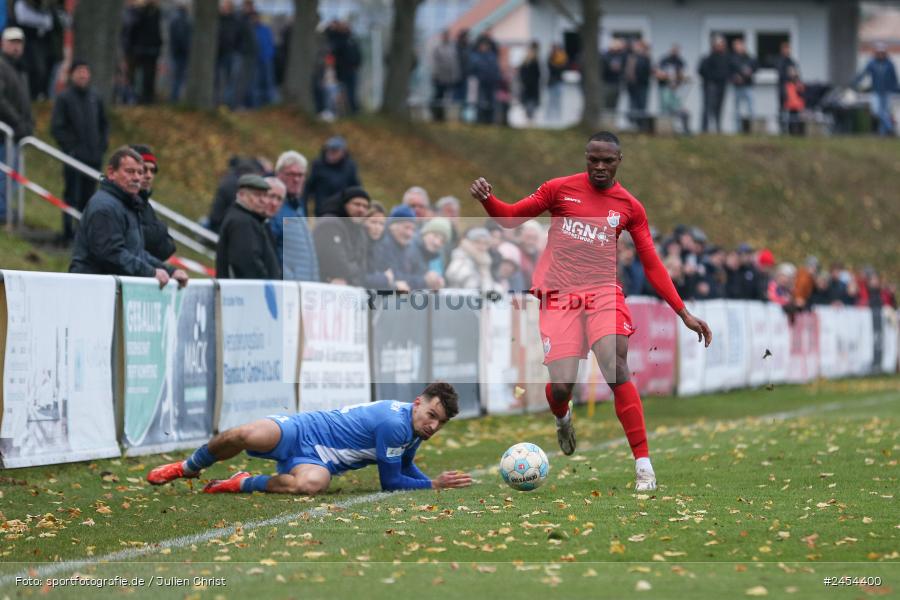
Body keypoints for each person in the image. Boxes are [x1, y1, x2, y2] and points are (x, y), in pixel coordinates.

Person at [469, 131, 711, 492]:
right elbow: (509, 218)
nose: (599, 167)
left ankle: (644, 465)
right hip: (560, 295)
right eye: (593, 160)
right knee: (562, 385)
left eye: (607, 161)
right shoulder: (558, 189)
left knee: (615, 364)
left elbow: (652, 264)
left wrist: (682, 312)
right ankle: (562, 415)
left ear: (619, 161)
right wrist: (489, 199)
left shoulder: (629, 206)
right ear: (586, 158)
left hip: (602, 292)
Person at [146, 382, 473, 495]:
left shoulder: (412, 426)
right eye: (432, 415)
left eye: (440, 423)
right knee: (243, 434)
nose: (433, 426)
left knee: (312, 485)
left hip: (318, 461)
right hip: (303, 430)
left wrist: (431, 481)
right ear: (418, 402)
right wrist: (432, 485)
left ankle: (243, 482)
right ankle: (189, 466)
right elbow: (391, 482)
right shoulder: (395, 424)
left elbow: (404, 465)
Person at [69, 146, 187, 288]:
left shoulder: (128, 205)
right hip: (92, 291)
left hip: (111, 291)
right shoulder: (105, 207)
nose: (137, 177)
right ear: (111, 172)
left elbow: (137, 253)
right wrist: (150, 272)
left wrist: (170, 271)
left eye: (140, 172)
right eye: (130, 172)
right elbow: (110, 254)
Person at [50, 60, 109, 243]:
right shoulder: (64, 98)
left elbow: (103, 124)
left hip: (93, 159)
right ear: (72, 74)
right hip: (74, 159)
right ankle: (68, 231)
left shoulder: (95, 98)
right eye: (79, 72)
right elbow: (57, 128)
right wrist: (72, 149)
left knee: (89, 199)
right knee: (71, 196)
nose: (83, 75)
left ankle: (84, 235)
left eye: (86, 72)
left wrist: (100, 147)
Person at [215, 174, 281, 279]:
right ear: (241, 195)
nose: (264, 201)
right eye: (257, 195)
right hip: (249, 292)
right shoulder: (242, 223)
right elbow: (248, 264)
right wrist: (268, 286)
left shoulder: (252, 220)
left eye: (265, 195)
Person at [0, 27, 34, 224]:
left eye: (19, 43)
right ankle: (2, 212)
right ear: (3, 43)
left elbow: (24, 102)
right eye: (12, 42)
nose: (16, 46)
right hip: (5, 133)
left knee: (12, 176)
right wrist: (17, 122)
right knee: (4, 175)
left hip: (16, 134)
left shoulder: (19, 69)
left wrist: (29, 122)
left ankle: (4, 209)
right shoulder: (2, 66)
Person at [270, 150, 319, 282]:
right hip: (288, 289)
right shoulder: (272, 207)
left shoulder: (298, 207)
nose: (296, 179)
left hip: (306, 289)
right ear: (278, 175)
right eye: (291, 174)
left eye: (301, 175)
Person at [313, 186, 371, 286]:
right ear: (345, 204)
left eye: (365, 206)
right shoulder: (329, 224)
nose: (361, 209)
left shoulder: (360, 231)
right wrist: (354, 271)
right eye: (357, 204)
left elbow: (363, 268)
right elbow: (337, 265)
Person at [129, 144, 176, 262]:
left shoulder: (147, 205)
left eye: (153, 170)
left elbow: (169, 247)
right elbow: (134, 239)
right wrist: (161, 227)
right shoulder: (123, 202)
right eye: (144, 170)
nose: (149, 175)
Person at [303, 136, 361, 217]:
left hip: (342, 212)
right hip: (322, 211)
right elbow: (308, 188)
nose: (331, 153)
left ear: (343, 152)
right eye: (329, 150)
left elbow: (356, 189)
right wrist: (304, 208)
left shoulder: (350, 167)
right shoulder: (318, 165)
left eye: (335, 151)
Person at [853, 43, 898, 136]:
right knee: (877, 111)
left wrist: (896, 89)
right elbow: (863, 74)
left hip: (887, 91)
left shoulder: (889, 64)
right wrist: (855, 82)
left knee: (885, 112)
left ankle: (883, 134)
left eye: (882, 52)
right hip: (876, 91)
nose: (880, 54)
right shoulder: (872, 63)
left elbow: (894, 79)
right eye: (879, 52)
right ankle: (889, 127)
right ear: (876, 53)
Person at [127, 0, 162, 104]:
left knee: (148, 75)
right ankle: (139, 97)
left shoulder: (155, 12)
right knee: (141, 75)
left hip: (148, 49)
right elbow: (133, 29)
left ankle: (146, 98)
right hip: (142, 49)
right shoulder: (141, 12)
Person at [656, 44, 690, 135]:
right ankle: (664, 129)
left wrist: (679, 79)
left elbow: (683, 74)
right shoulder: (664, 60)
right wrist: (666, 76)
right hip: (665, 87)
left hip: (676, 88)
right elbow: (658, 73)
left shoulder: (680, 61)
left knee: (677, 108)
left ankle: (676, 128)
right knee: (665, 107)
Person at [698, 36, 729, 133]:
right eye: (719, 45)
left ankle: (718, 128)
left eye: (722, 45)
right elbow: (701, 71)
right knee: (708, 107)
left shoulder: (726, 58)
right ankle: (704, 129)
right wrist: (712, 78)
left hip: (722, 85)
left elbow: (731, 70)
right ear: (714, 46)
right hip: (710, 86)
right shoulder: (707, 58)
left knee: (719, 107)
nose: (721, 47)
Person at [430, 30, 461, 122]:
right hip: (439, 78)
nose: (446, 37)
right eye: (444, 36)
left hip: (450, 79)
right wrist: (435, 75)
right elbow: (434, 63)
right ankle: (437, 116)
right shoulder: (438, 48)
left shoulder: (452, 48)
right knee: (438, 98)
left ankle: (445, 117)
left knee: (448, 99)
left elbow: (455, 63)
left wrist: (456, 76)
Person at [729, 38, 757, 133]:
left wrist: (750, 71)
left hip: (748, 85)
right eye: (736, 46)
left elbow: (755, 67)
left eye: (739, 45)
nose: (738, 47)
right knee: (737, 109)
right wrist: (734, 77)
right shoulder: (732, 58)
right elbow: (729, 71)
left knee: (751, 108)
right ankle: (738, 129)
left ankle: (752, 128)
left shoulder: (749, 57)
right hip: (737, 87)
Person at [168, 0, 192, 102]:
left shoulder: (174, 17)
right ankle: (175, 99)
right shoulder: (182, 19)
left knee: (177, 77)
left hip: (176, 52)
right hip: (180, 53)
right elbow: (181, 37)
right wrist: (188, 49)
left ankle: (175, 98)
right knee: (178, 78)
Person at [774, 41, 797, 134]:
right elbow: (781, 74)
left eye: (788, 49)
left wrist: (794, 76)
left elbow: (796, 75)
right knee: (782, 109)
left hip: (792, 89)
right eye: (785, 48)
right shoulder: (780, 61)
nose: (787, 50)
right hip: (783, 88)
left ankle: (793, 130)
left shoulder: (792, 61)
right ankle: (782, 129)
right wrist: (789, 74)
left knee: (793, 109)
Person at [601, 38, 627, 115]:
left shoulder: (621, 56)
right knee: (606, 104)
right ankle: (605, 122)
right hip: (607, 83)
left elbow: (624, 67)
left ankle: (612, 122)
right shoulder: (606, 56)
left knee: (614, 106)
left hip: (617, 83)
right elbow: (603, 68)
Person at [518, 41, 541, 124]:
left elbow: (538, 75)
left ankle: (530, 118)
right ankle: (528, 117)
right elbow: (521, 74)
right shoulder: (525, 63)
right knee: (527, 103)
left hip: (532, 87)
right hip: (527, 86)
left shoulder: (535, 62)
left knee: (531, 103)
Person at [545, 43, 567, 123]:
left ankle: (558, 117)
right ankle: (549, 118)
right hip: (552, 82)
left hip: (558, 82)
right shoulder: (551, 58)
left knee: (557, 101)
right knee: (551, 101)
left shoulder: (562, 58)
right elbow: (552, 67)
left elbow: (562, 68)